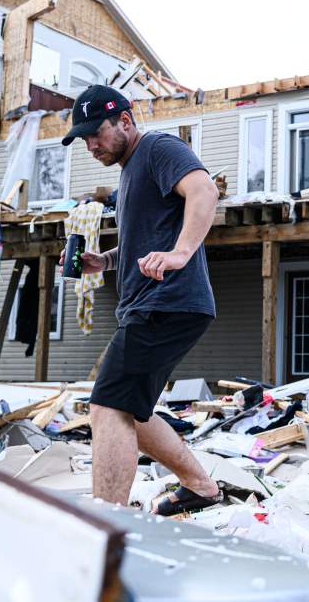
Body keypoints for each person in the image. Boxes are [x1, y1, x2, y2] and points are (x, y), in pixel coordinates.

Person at [59, 84, 222, 514]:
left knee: (107, 405)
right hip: (156, 304)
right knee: (134, 408)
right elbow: (143, 245)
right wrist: (103, 261)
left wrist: (181, 253)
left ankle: (104, 524)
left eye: (97, 133)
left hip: (166, 302)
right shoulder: (130, 172)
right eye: (84, 138)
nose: (91, 144)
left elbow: (205, 191)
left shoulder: (157, 149)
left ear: (125, 121)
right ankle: (200, 486)